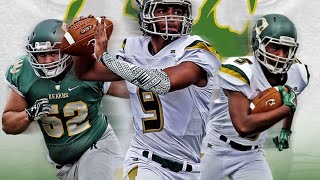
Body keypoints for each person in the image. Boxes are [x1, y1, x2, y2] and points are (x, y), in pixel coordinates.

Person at [73, 0, 221, 179]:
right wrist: (82, 47)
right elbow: (87, 72)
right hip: (144, 161)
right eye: (163, 10)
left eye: (178, 10)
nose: (172, 16)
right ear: (146, 13)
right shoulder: (133, 47)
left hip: (191, 168)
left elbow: (163, 82)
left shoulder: (195, 48)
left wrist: (106, 58)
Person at [2, 19, 127, 180]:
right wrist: (29, 114)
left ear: (67, 50)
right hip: (63, 165)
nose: (47, 61)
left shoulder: (84, 65)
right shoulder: (23, 72)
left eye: (53, 53)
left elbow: (128, 90)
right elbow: (8, 124)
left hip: (97, 146)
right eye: (42, 54)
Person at [200, 14, 310, 180]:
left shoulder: (298, 73)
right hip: (215, 148)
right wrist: (286, 109)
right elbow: (243, 127)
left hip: (251, 155)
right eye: (274, 47)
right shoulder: (240, 71)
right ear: (258, 44)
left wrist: (286, 129)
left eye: (286, 49)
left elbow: (290, 98)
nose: (281, 55)